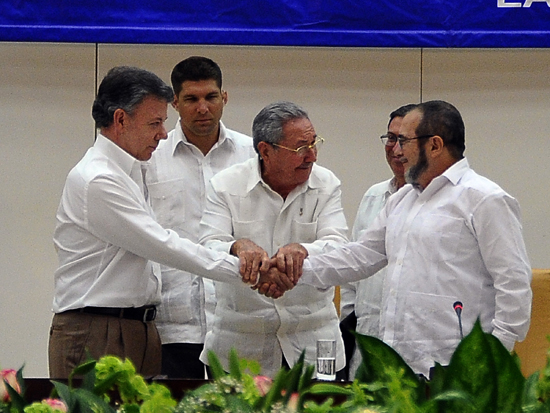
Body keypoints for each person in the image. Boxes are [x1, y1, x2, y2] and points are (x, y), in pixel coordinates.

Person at [48, 66, 290, 379]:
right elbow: (163, 245)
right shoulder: (99, 178)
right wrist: (252, 270)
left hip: (138, 326)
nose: (163, 133)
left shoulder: (132, 168)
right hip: (99, 328)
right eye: (155, 123)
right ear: (121, 120)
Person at [268, 100, 532, 377]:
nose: (396, 150)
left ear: (435, 145)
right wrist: (292, 268)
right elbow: (359, 257)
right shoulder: (403, 200)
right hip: (397, 366)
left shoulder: (484, 199)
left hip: (459, 370)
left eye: (403, 141)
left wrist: (494, 356)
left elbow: (513, 284)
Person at [198, 101, 349, 378]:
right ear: (265, 151)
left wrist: (302, 251)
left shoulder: (327, 184)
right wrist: (237, 246)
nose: (312, 156)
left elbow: (338, 246)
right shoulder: (225, 185)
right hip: (239, 348)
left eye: (314, 143)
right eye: (301, 148)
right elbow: (208, 246)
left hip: (313, 345)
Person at [146, 56, 255, 379]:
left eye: (210, 97)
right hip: (174, 324)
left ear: (225, 97)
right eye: (191, 99)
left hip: (238, 320)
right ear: (175, 103)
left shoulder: (252, 155)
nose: (203, 107)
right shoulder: (151, 157)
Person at [339, 104, 415, 379]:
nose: (395, 149)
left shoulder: (443, 202)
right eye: (391, 138)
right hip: (366, 343)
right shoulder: (374, 195)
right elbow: (353, 271)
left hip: (413, 350)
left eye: (404, 140)